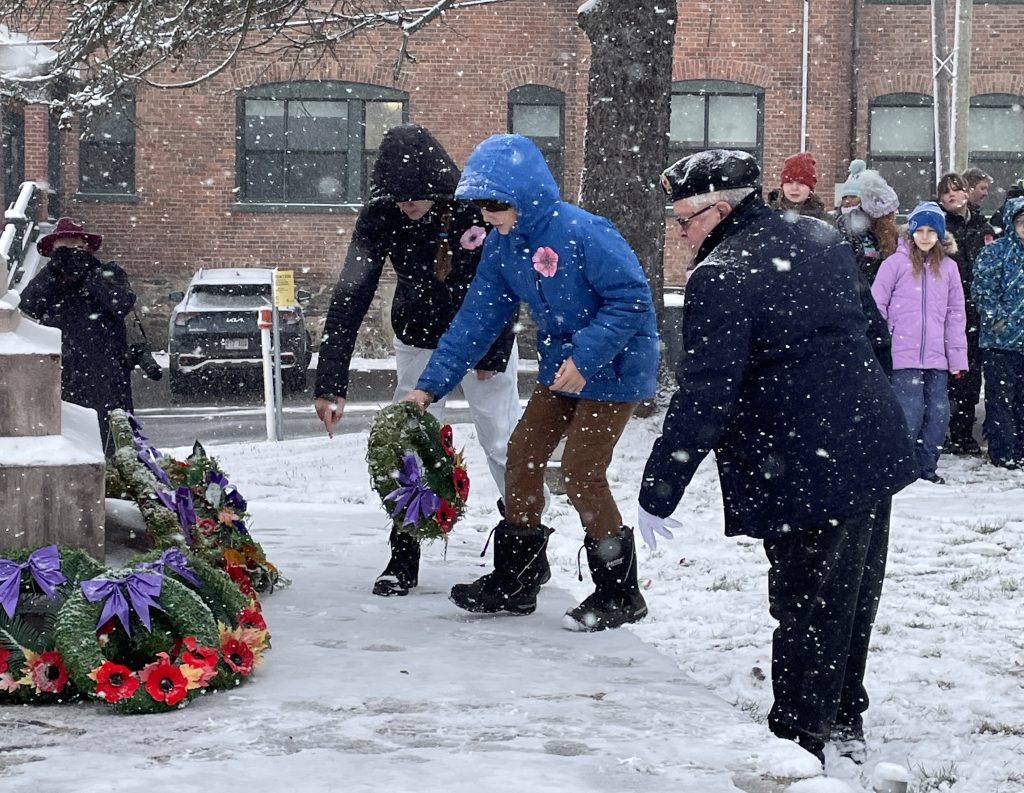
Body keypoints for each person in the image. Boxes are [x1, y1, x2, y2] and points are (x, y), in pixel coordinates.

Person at [639, 149, 917, 765]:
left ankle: (798, 742)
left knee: (807, 605)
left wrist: (659, 488)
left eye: (683, 220)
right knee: (850, 596)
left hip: (801, 461)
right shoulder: (817, 235)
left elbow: (706, 392)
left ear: (718, 211)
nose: (679, 233)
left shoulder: (722, 275)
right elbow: (873, 332)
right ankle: (842, 718)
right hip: (866, 443)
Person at [404, 134, 659, 632]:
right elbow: (475, 321)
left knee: (582, 471)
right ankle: (517, 578)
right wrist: (428, 387)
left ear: (526, 196)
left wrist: (587, 357)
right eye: (481, 207)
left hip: (616, 366)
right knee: (522, 454)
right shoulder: (503, 247)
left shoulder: (584, 231)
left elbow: (631, 300)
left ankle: (619, 592)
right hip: (561, 367)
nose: (488, 216)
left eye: (497, 205)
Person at [313, 123, 526, 598]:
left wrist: (493, 351)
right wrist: (330, 382)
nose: (406, 204)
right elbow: (351, 296)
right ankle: (403, 553)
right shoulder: (381, 216)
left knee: (501, 441)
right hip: (419, 339)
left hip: (482, 341)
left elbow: (505, 281)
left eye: (414, 195)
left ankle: (525, 550)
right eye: (397, 196)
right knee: (409, 444)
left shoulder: (473, 209)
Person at [19, 217, 136, 455]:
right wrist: (54, 271)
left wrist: (90, 272)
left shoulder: (108, 273)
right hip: (66, 370)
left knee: (112, 436)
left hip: (107, 369)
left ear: (86, 248)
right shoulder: (51, 281)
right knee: (69, 436)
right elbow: (28, 305)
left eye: (76, 247)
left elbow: (121, 303)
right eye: (63, 248)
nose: (71, 254)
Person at [871, 202, 968, 484]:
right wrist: (883, 344)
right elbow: (877, 306)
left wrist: (957, 358)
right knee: (909, 414)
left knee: (938, 415)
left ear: (939, 235)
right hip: (902, 356)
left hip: (937, 358)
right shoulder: (894, 264)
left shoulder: (948, 269)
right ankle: (904, 469)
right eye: (920, 230)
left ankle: (927, 467)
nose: (925, 236)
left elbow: (955, 315)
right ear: (911, 232)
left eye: (931, 231)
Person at [935, 172, 995, 455]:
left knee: (971, 375)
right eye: (945, 191)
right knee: (949, 374)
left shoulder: (983, 227)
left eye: (956, 189)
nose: (952, 195)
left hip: (976, 312)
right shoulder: (938, 227)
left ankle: (964, 433)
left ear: (966, 193)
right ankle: (946, 432)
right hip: (947, 310)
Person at [971, 195, 1024, 470]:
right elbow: (982, 290)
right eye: (1021, 221)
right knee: (1001, 400)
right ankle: (1004, 452)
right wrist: (998, 321)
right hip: (1000, 343)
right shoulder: (995, 252)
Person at [835, 160, 900, 284]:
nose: (847, 201)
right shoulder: (839, 226)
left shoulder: (882, 230)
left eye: (853, 196)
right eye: (844, 197)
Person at [765, 152, 828, 220]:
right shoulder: (766, 217)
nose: (794, 188)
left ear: (810, 188)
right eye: (789, 182)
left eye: (801, 183)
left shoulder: (824, 221)